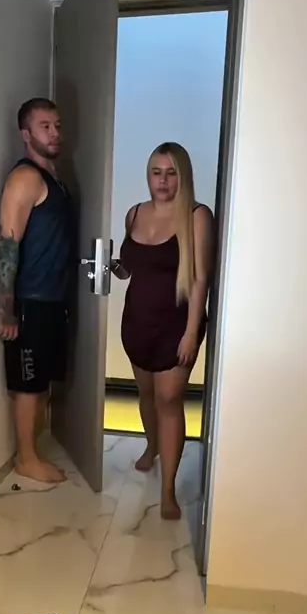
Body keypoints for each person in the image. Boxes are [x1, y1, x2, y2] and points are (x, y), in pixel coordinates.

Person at [112, 142, 214, 520]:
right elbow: (131, 268)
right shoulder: (134, 214)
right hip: (137, 322)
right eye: (156, 172)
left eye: (171, 173)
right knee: (146, 393)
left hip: (176, 325)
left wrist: (191, 332)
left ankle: (168, 489)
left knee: (169, 399)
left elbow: (200, 279)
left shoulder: (197, 216)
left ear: (182, 176)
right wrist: (112, 267)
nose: (163, 180)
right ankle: (151, 445)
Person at [0, 98, 73, 484]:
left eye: (57, 125)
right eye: (45, 126)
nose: (55, 133)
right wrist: (7, 308)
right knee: (28, 385)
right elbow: (8, 246)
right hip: (31, 300)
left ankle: (33, 452)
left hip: (53, 300)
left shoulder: (53, 178)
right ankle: (26, 459)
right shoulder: (25, 178)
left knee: (43, 382)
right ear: (26, 134)